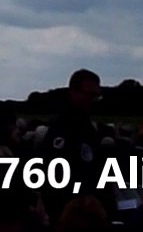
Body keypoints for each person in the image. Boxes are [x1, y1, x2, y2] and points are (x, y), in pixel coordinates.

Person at [38, 70, 102, 222]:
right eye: (89, 94)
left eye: (96, 96)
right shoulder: (61, 126)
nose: (92, 100)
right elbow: (55, 174)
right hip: (65, 211)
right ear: (73, 92)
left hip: (88, 206)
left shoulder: (88, 126)